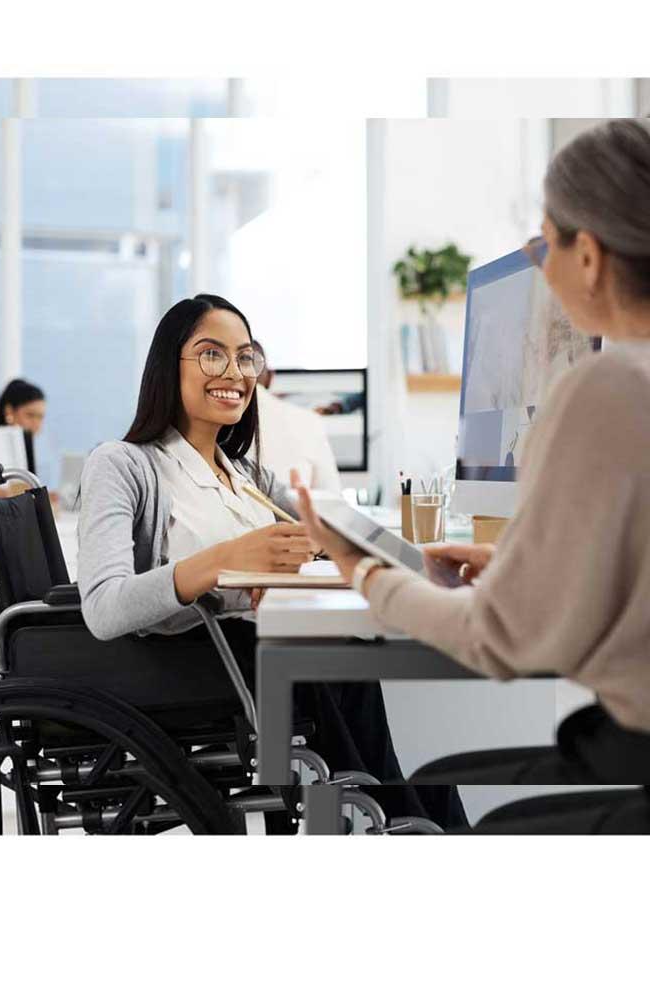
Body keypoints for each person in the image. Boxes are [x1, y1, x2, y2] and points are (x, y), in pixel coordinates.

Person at [292, 119, 650, 786]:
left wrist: (360, 570)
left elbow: (499, 641)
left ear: (591, 258)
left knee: (412, 789)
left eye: (546, 246)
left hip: (634, 762)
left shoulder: (608, 386)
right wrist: (523, 565)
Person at [78, 292, 466, 829]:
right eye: (212, 354)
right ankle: (406, 829)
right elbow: (103, 607)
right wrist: (227, 561)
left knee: (381, 687)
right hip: (190, 668)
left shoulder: (246, 475)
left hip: (263, 654)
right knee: (347, 670)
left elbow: (330, 531)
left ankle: (429, 831)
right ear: (170, 365)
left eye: (246, 357)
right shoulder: (123, 465)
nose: (234, 372)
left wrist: (415, 555)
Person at [250, 341, 343, 493]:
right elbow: (332, 496)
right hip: (297, 514)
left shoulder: (216, 420)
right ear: (270, 377)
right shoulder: (310, 421)